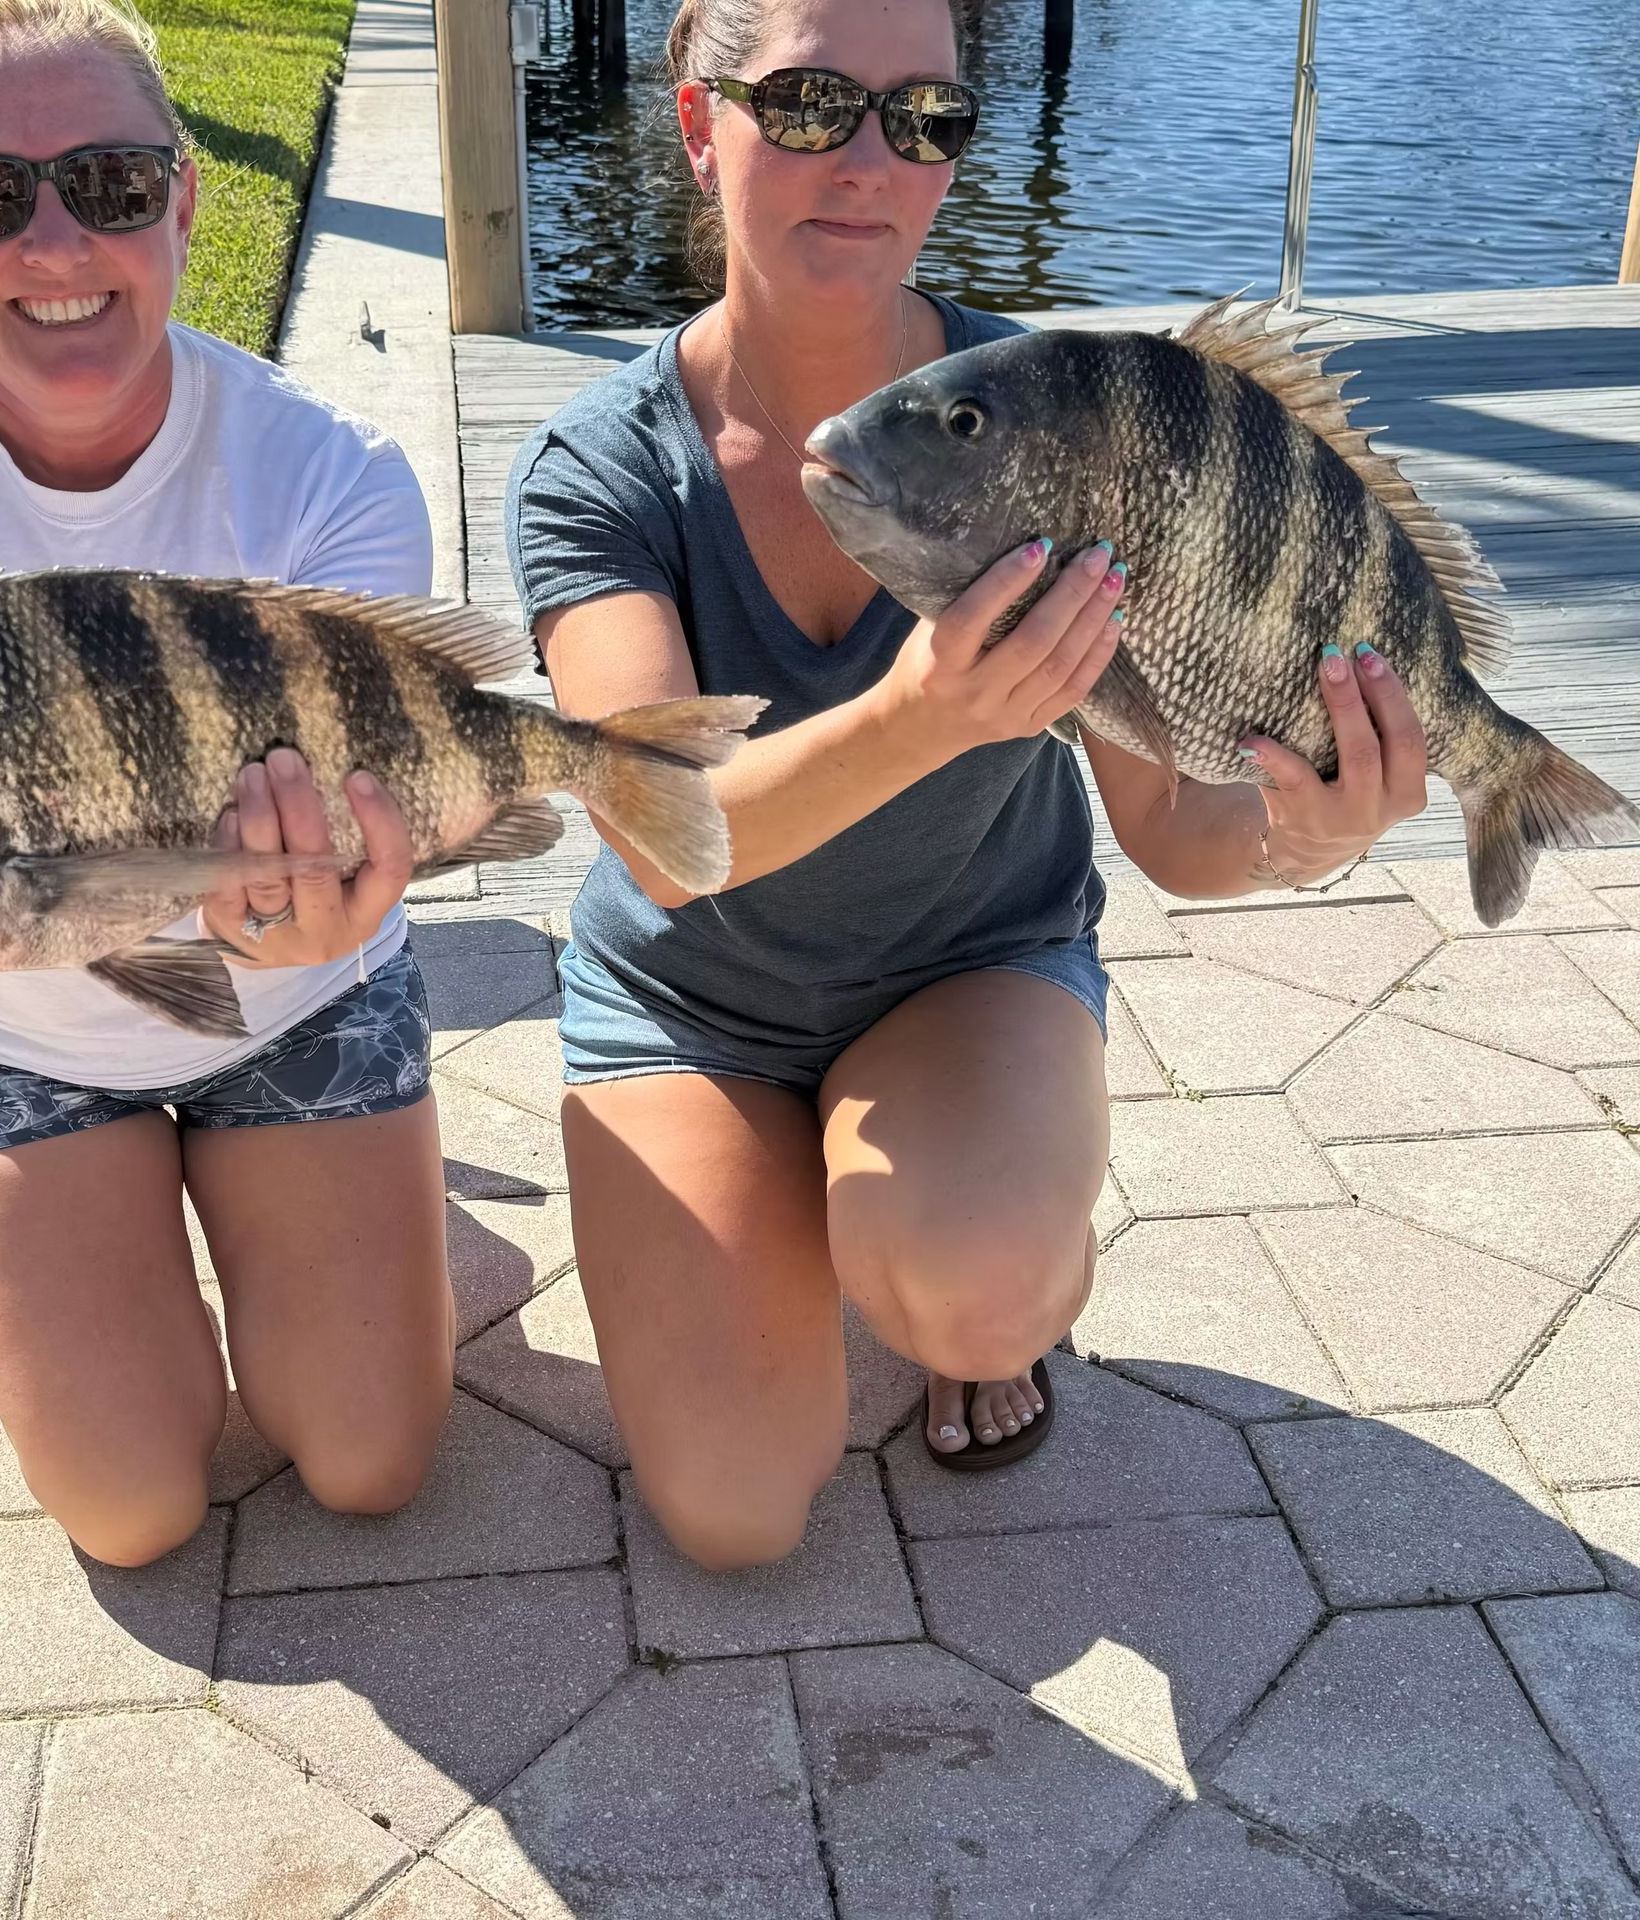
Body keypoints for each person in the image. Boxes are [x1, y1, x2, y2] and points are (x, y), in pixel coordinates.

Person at [507, 0, 1429, 1568]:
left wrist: (1304, 830)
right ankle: (792, 1194)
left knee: (974, 1276)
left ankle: (949, 1268)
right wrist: (931, 709)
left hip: (967, 969)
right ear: (695, 121)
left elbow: (1175, 837)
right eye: (806, 105)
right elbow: (664, 842)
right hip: (693, 999)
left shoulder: (1060, 424)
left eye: (924, 117)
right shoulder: (601, 470)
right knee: (733, 1512)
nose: (868, 160)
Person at [0, 0, 452, 1566]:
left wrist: (317, 917)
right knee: (135, 1507)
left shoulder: (331, 477)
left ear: (186, 198)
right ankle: (158, 1230)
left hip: (298, 999)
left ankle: (347, 1214)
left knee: (368, 1461)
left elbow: (370, 806)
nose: (56, 241)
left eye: (112, 185)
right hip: (3, 1045)